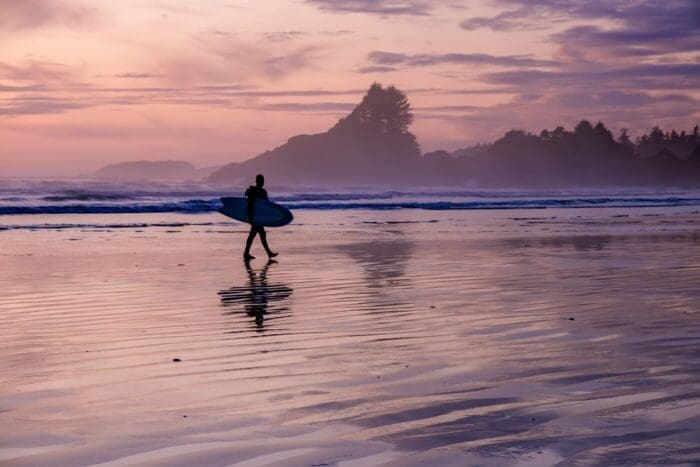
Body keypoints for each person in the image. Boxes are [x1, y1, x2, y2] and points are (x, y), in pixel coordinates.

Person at [243, 174, 278, 260]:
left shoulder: (260, 191)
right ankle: (248, 253)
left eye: (263, 180)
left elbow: (266, 205)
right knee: (257, 234)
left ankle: (247, 253)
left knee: (256, 234)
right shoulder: (255, 191)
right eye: (261, 180)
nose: (262, 182)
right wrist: (250, 217)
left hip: (259, 217)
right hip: (255, 217)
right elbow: (249, 205)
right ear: (257, 181)